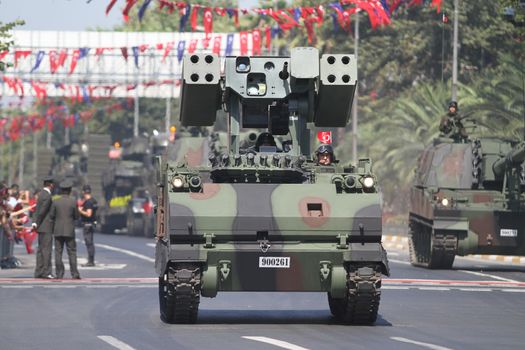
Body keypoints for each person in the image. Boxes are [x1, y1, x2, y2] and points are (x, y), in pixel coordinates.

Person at [49, 180, 80, 279]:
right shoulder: (73, 201)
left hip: (57, 230)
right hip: (69, 230)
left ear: (61, 190)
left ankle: (59, 274)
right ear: (70, 190)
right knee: (72, 252)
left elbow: (51, 215)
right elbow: (76, 216)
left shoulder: (56, 201)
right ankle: (74, 274)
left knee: (58, 252)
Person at [33, 176, 55, 279]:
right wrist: (37, 222)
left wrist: (35, 223)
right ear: (50, 184)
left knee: (40, 250)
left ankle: (39, 271)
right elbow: (42, 211)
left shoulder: (41, 194)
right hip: (46, 226)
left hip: (41, 227)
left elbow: (36, 210)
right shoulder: (47, 195)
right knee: (47, 250)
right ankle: (47, 272)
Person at [78, 184, 97, 267]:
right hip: (92, 224)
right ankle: (91, 260)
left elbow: (89, 214)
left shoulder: (88, 202)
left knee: (89, 243)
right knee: (90, 243)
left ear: (83, 192)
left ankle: (91, 261)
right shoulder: (94, 201)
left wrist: (80, 211)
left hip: (87, 225)